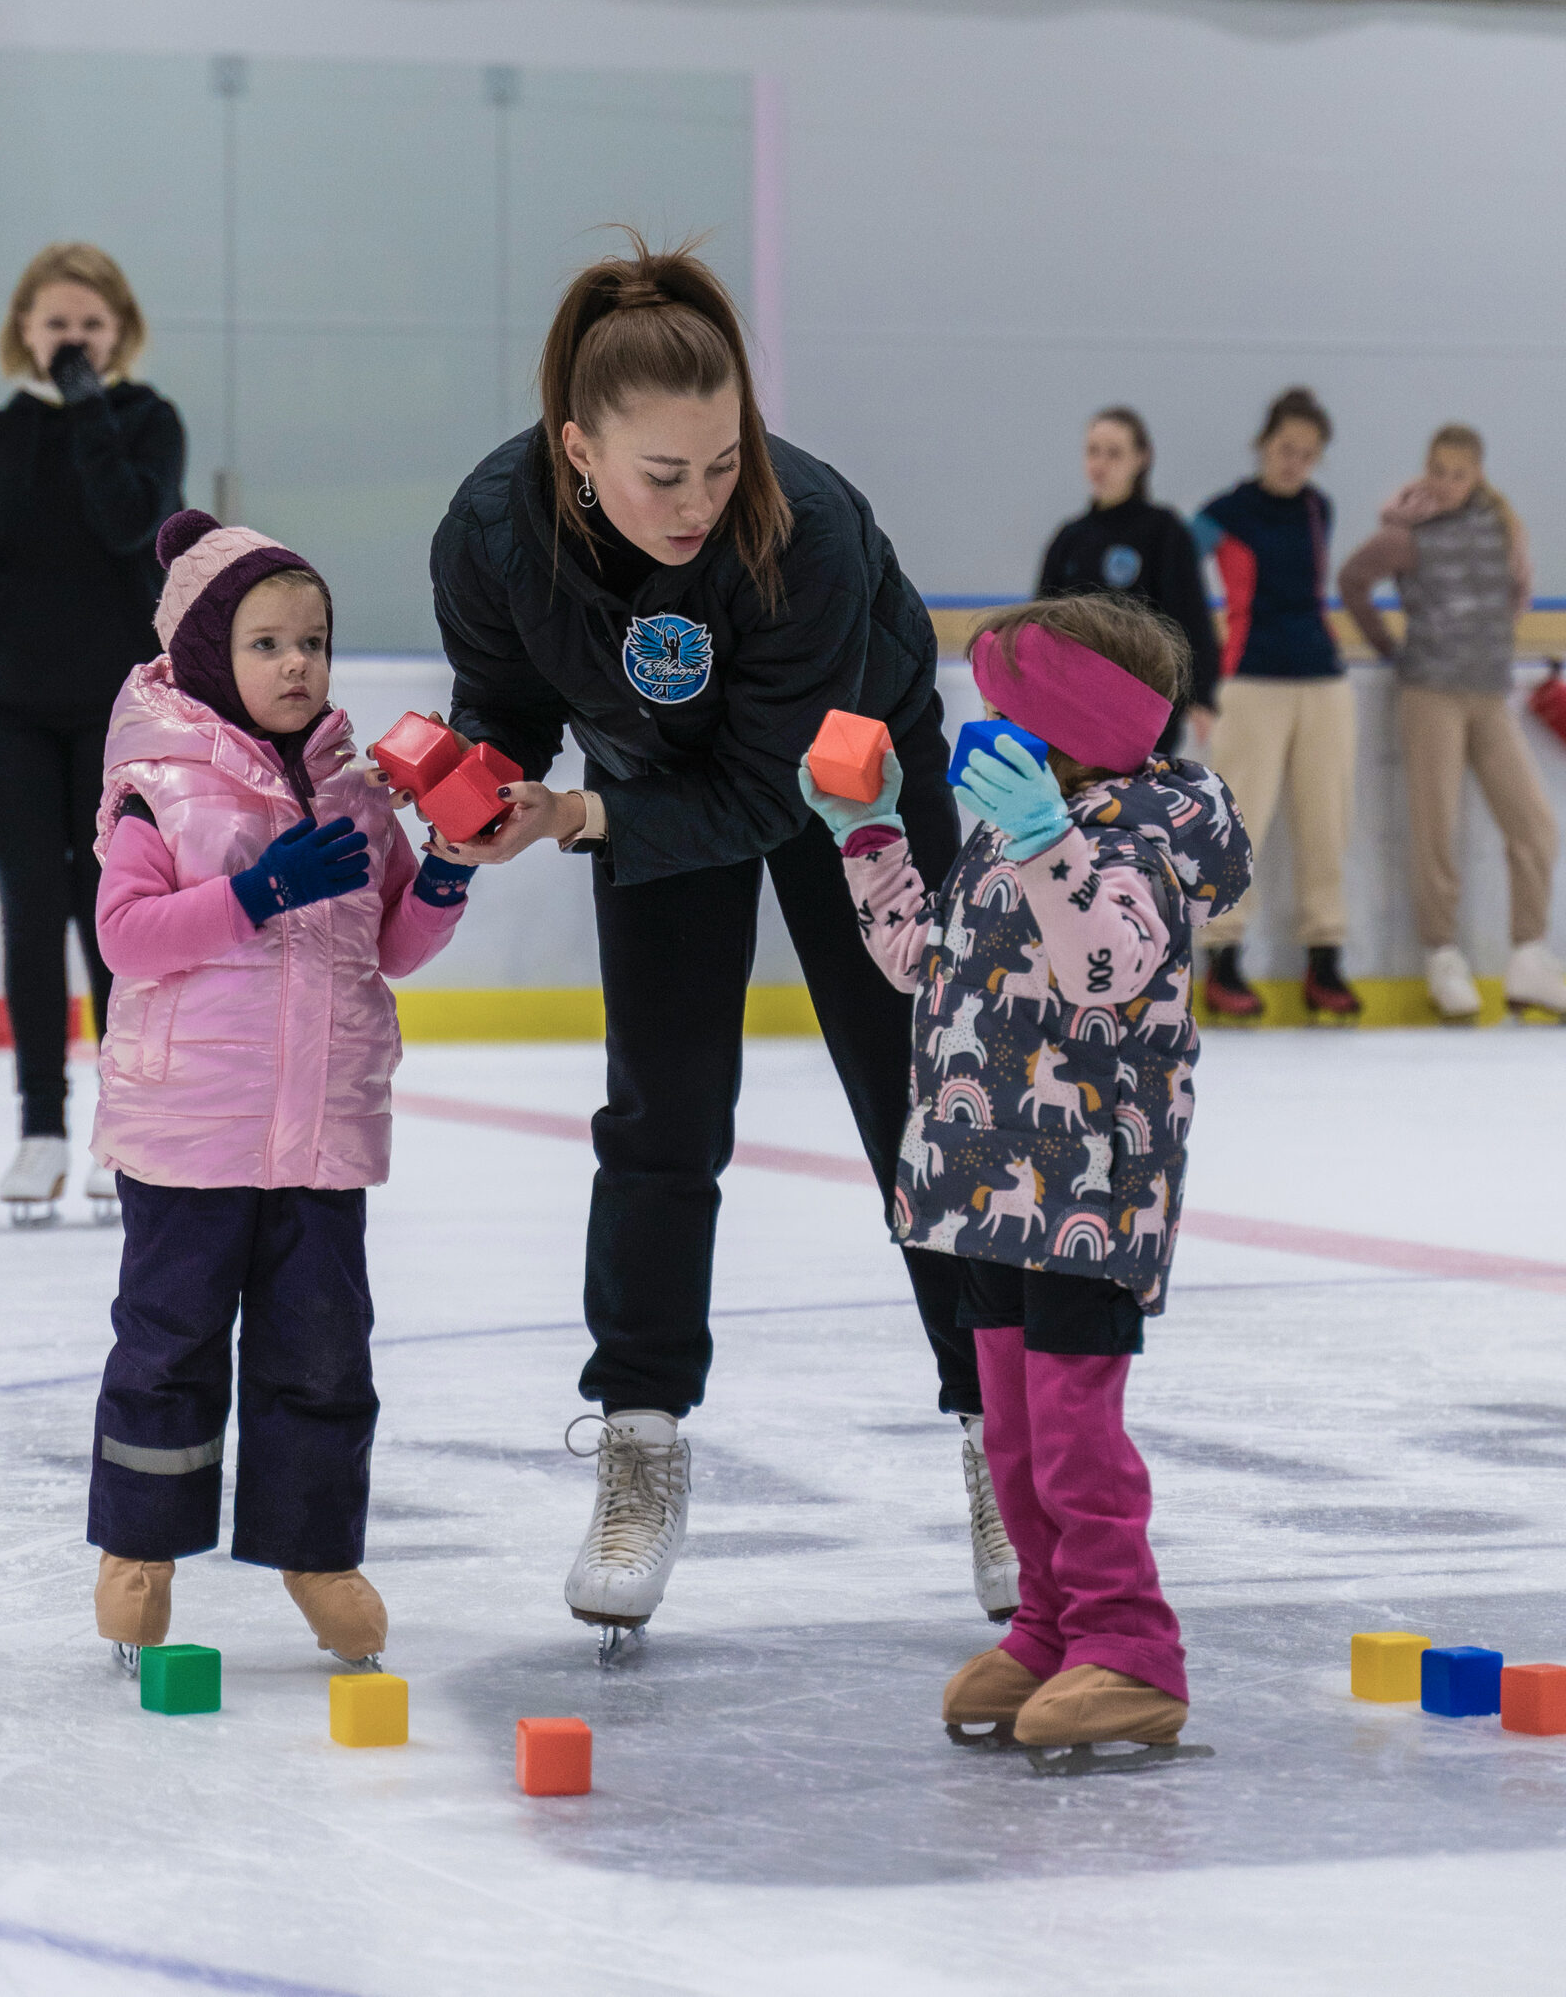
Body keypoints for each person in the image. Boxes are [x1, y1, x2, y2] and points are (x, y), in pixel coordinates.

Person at [428, 239, 1013, 1650]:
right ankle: (639, 1439)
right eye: (660, 474)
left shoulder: (800, 526)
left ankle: (1010, 1442)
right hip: (636, 789)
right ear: (577, 447)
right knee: (663, 1108)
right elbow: (502, 700)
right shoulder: (495, 532)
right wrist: (474, 790)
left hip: (849, 780)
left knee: (920, 1104)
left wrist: (575, 813)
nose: (700, 501)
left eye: (722, 460)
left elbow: (768, 789)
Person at [803, 595, 1250, 1746]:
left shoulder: (1143, 831)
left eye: (1007, 709)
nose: (983, 728)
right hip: (981, 1178)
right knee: (1007, 1422)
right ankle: (1051, 1628)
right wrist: (870, 836)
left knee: (1073, 1425)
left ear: (1072, 724)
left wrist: (1055, 838)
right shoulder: (1007, 835)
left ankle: (1130, 1644)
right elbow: (917, 961)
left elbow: (1106, 963)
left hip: (1090, 1186)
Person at [85, 509, 476, 1669]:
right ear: (211, 653)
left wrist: (447, 865)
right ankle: (141, 1548)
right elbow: (127, 937)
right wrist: (256, 892)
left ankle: (316, 1550)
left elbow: (393, 945)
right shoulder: (162, 786)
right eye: (267, 643)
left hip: (322, 1136)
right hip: (190, 1134)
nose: (298, 662)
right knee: (169, 1344)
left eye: (314, 640)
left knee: (322, 1352)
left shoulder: (356, 790)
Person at [0, 243, 185, 1217]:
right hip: (6, 703)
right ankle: (40, 1128)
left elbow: (133, 522)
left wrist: (89, 406)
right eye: (55, 325)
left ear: (117, 328)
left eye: (89, 323)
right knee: (30, 907)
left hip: (113, 704)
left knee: (107, 912)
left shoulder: (146, 423)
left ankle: (123, 1128)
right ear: (24, 331)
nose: (72, 339)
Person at [1339, 425, 1564, 1021]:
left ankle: (1528, 956)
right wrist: (1390, 650)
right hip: (1430, 694)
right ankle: (1442, 956)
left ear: (1478, 474)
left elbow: (1514, 590)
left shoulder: (1500, 526)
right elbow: (1352, 580)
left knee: (1536, 826)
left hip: (1489, 693)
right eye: (1436, 469)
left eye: (1457, 473)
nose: (1445, 483)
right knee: (1436, 828)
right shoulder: (1407, 534)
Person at [1191, 387, 1360, 1021]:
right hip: (1250, 682)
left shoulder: (1320, 507)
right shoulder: (1225, 512)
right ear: (1264, 444)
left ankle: (1325, 960)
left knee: (1326, 822)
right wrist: (1199, 671)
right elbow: (1177, 574)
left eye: (1308, 454)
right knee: (1240, 823)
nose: (1295, 462)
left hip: (1323, 681)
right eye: (1286, 449)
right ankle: (1223, 960)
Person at [1036, 406, 1220, 753]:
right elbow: (1040, 625)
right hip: (1075, 708)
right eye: (1093, 451)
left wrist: (1202, 695)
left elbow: (1190, 616)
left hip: (1144, 706)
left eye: (1115, 452)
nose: (1101, 463)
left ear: (1141, 458)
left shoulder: (1164, 531)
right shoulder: (1069, 539)